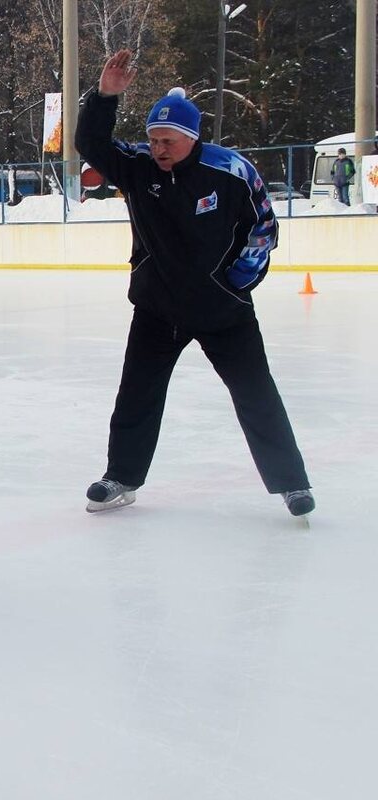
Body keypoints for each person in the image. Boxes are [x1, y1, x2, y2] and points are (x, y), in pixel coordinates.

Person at [75, 49, 313, 518]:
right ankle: (121, 478)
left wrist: (239, 278)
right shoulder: (138, 166)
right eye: (153, 139)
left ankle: (292, 484)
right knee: (137, 395)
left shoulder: (231, 171)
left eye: (168, 141)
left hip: (222, 310)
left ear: (192, 137)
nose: (159, 149)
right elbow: (91, 143)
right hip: (158, 308)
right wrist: (104, 96)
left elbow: (264, 228)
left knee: (256, 394)